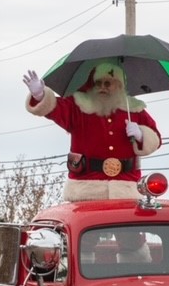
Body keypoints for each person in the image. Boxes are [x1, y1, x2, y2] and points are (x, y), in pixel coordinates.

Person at [23, 63, 161, 201]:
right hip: (86, 189)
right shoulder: (79, 107)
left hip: (126, 188)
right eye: (98, 83)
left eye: (107, 83)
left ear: (119, 86)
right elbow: (56, 109)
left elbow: (157, 139)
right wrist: (40, 95)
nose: (102, 87)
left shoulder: (134, 109)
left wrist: (141, 134)